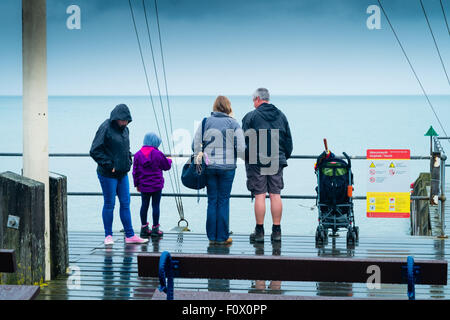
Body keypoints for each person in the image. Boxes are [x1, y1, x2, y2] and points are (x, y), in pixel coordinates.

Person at [90, 103, 148, 245]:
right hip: (107, 174)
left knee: (126, 203)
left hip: (123, 173)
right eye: (123, 120)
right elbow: (94, 150)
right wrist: (110, 165)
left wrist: (129, 160)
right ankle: (108, 236)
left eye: (127, 121)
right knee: (110, 204)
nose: (125, 122)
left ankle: (130, 235)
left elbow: (125, 147)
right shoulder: (105, 128)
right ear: (116, 118)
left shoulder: (125, 130)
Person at [192, 95, 245, 245]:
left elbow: (194, 145)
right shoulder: (234, 124)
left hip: (210, 166)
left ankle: (212, 238)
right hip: (227, 168)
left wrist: (200, 156)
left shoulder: (205, 122)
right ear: (228, 107)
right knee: (223, 200)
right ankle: (222, 237)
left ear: (215, 107)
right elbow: (241, 148)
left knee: (212, 200)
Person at [242, 88, 293, 243]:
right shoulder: (281, 115)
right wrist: (283, 156)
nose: (253, 103)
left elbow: (243, 142)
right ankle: (276, 231)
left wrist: (248, 158)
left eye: (253, 100)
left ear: (257, 99)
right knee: (275, 195)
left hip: (257, 160)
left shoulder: (251, 116)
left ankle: (259, 232)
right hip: (276, 159)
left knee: (260, 195)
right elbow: (288, 142)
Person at [132, 132, 172, 238]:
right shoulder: (157, 153)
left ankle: (144, 228)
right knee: (155, 206)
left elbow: (135, 172)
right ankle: (155, 229)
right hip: (156, 186)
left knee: (144, 205)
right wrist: (169, 160)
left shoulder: (137, 155)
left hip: (143, 186)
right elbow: (166, 166)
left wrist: (137, 184)